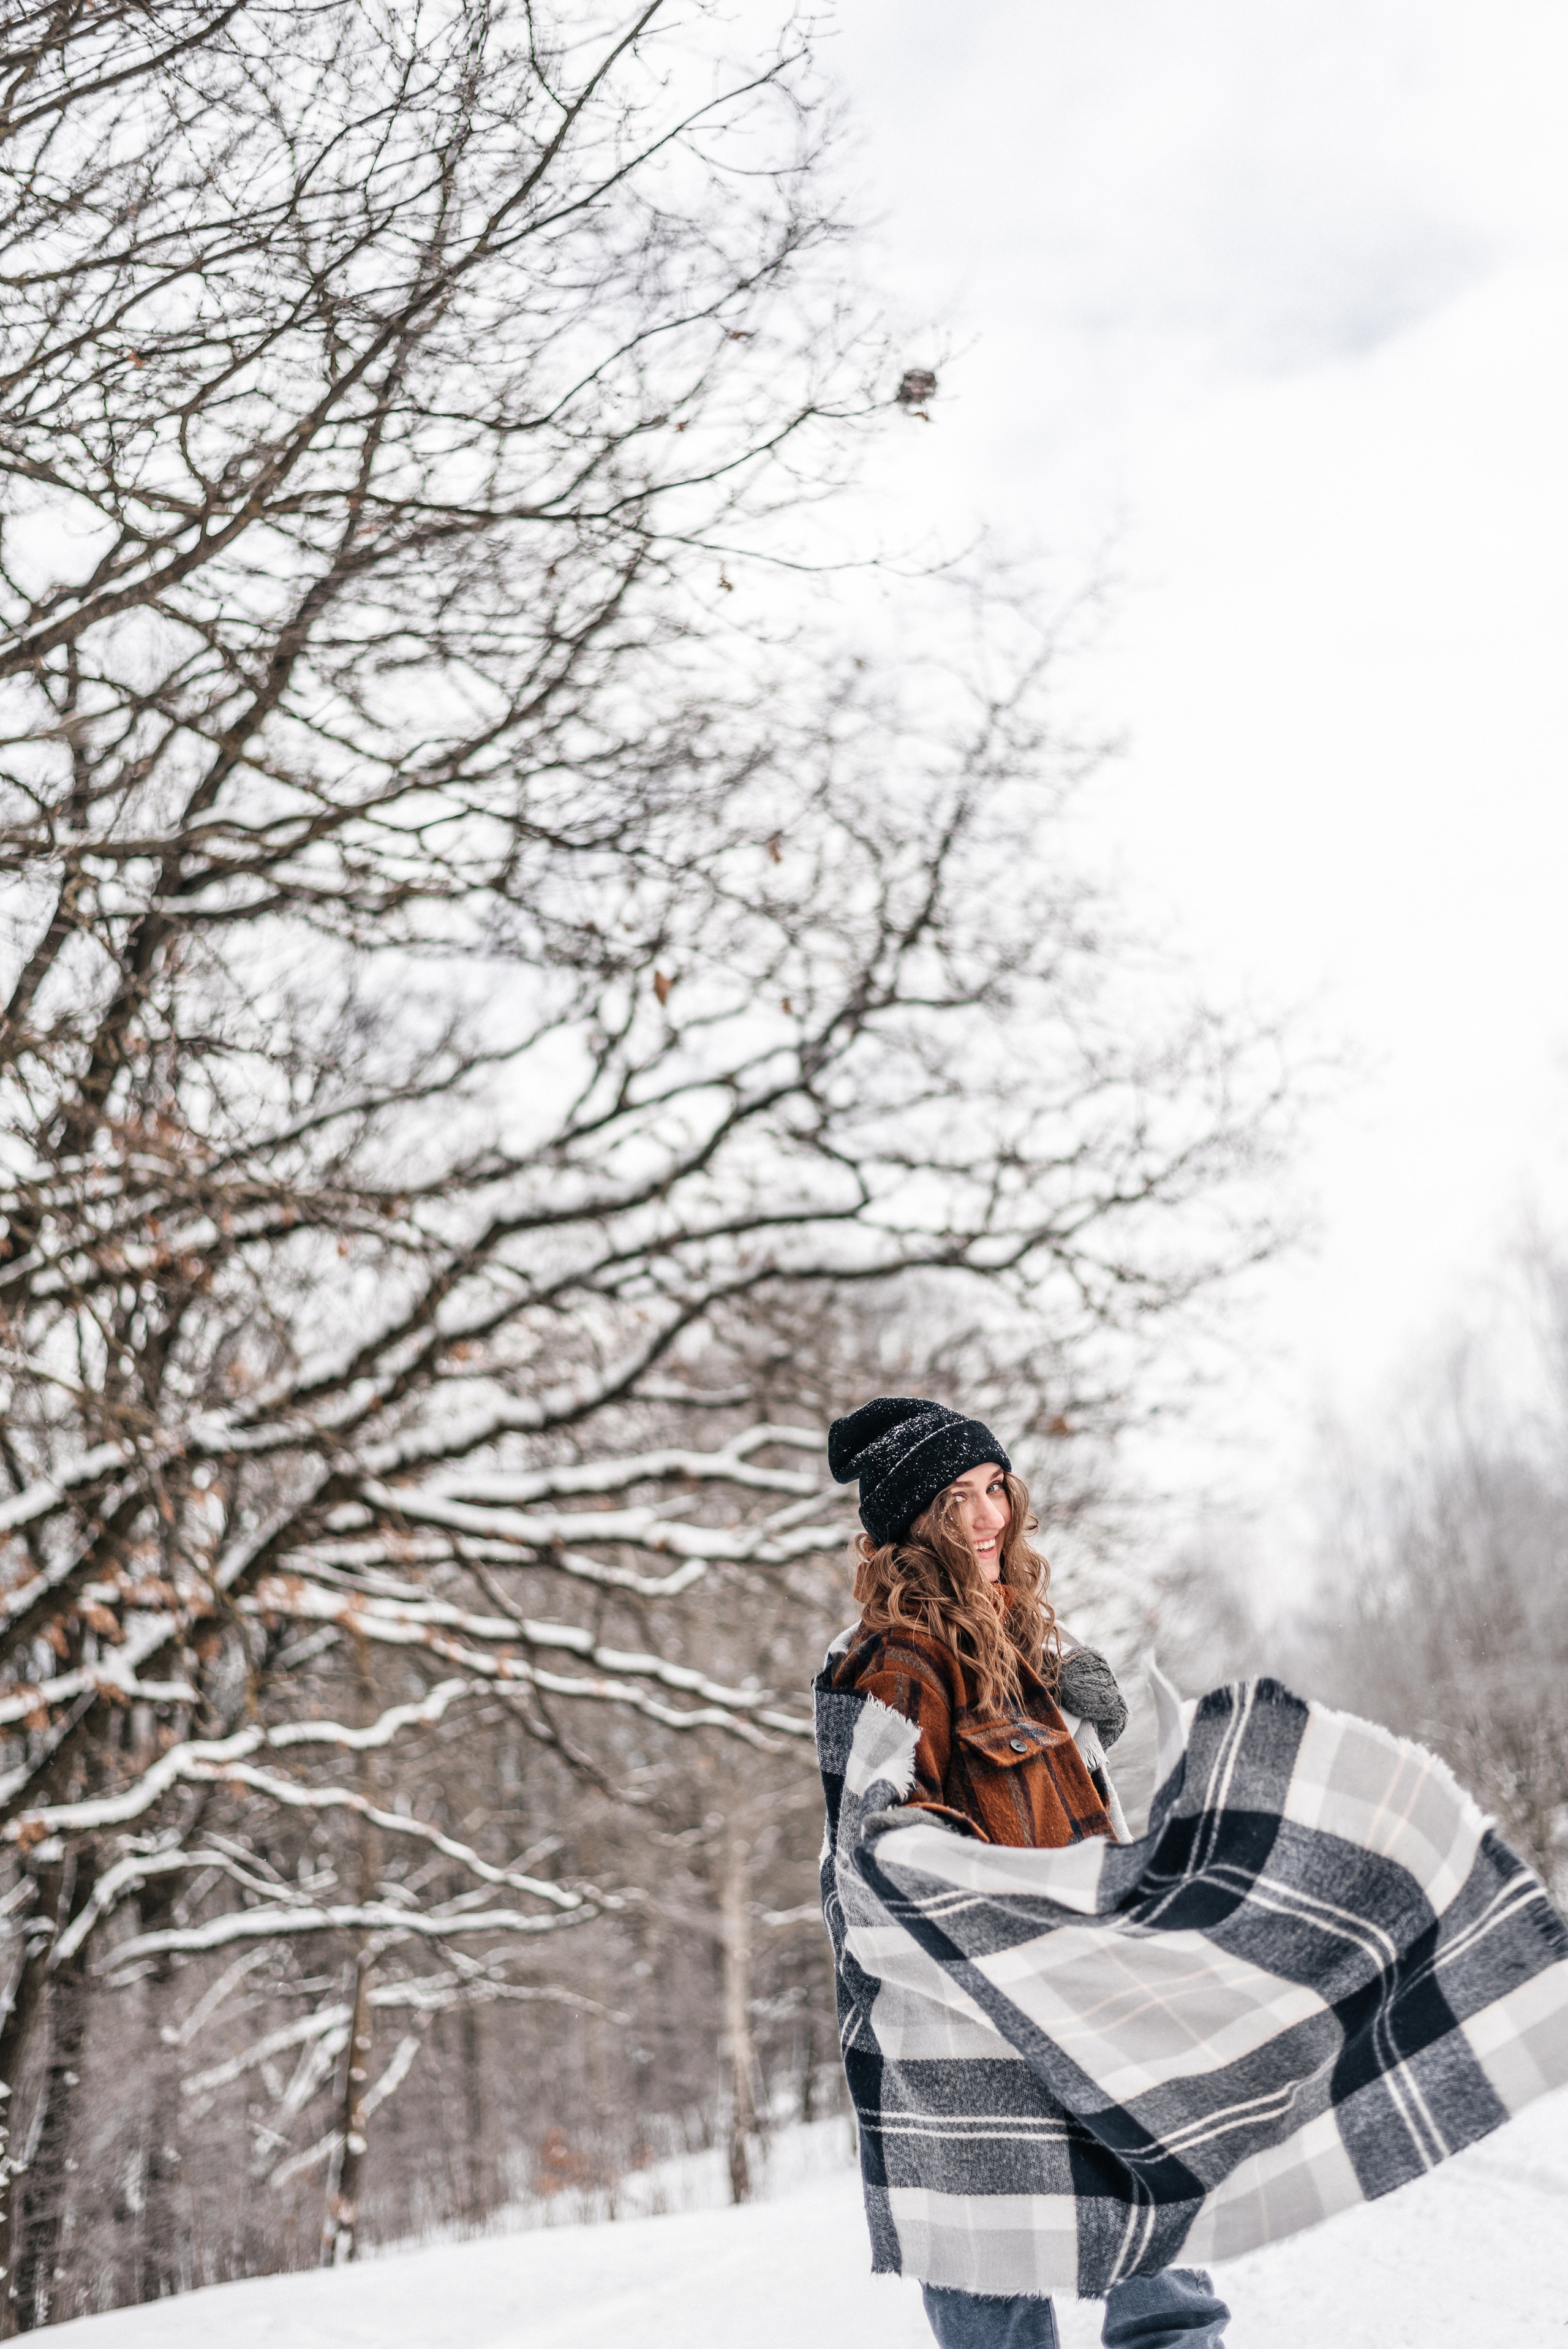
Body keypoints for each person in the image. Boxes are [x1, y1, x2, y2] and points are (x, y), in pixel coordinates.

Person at [826, 1395, 1231, 2349]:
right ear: (910, 1525)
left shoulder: (1012, 1643)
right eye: (954, 1499)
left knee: (1164, 2273)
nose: (985, 1518)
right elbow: (877, 1841)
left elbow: (1056, 1818)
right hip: (965, 2026)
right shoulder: (893, 1662)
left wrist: (1071, 1719)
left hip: (1084, 1993)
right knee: (998, 2301)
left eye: (994, 1487)